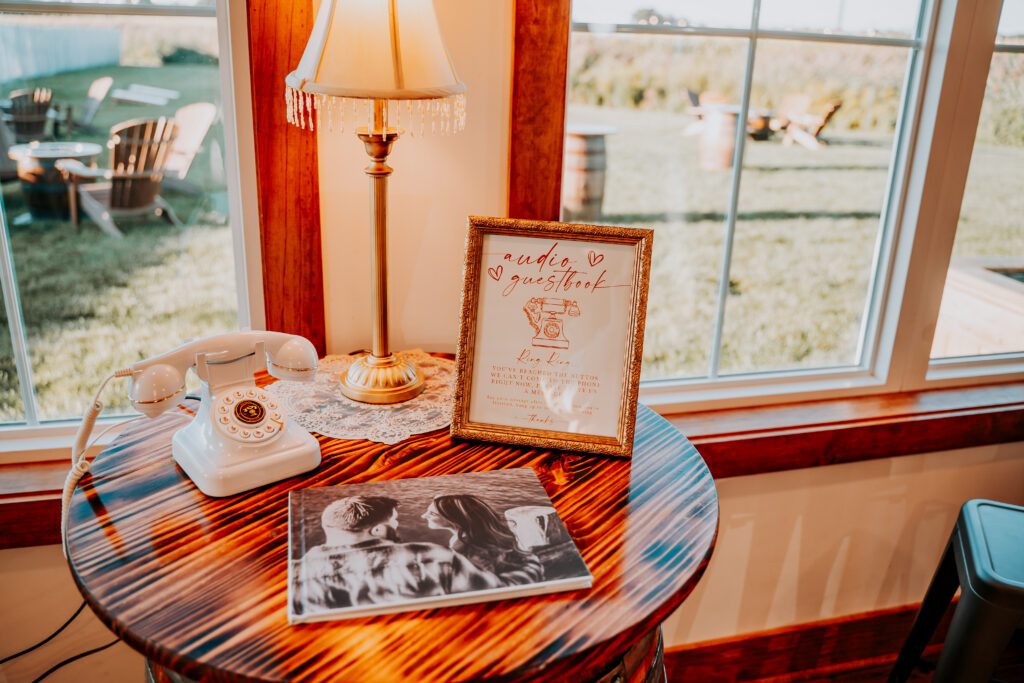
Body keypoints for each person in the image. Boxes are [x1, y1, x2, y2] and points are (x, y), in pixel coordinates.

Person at [295, 495, 499, 614]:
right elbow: (494, 593)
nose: (397, 526)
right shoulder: (436, 557)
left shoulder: (295, 574)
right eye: (394, 522)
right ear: (377, 530)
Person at [423, 494, 544, 586]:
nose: (423, 516)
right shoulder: (480, 535)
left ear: (455, 519)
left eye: (432, 514)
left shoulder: (465, 549)